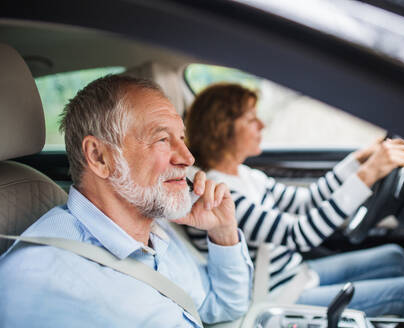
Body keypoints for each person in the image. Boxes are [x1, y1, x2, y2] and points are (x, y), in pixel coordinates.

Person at [0, 76, 253, 327]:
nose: (187, 158)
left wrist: (223, 232)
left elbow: (220, 305)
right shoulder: (41, 283)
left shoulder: (155, 229)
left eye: (182, 139)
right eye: (163, 139)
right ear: (100, 157)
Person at [185, 83, 404, 317]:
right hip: (274, 295)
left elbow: (305, 202)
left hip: (296, 274)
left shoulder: (244, 175)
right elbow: (299, 234)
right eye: (251, 119)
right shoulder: (217, 193)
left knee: (395, 257)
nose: (262, 125)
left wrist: (358, 160)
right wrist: (369, 174)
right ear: (222, 128)